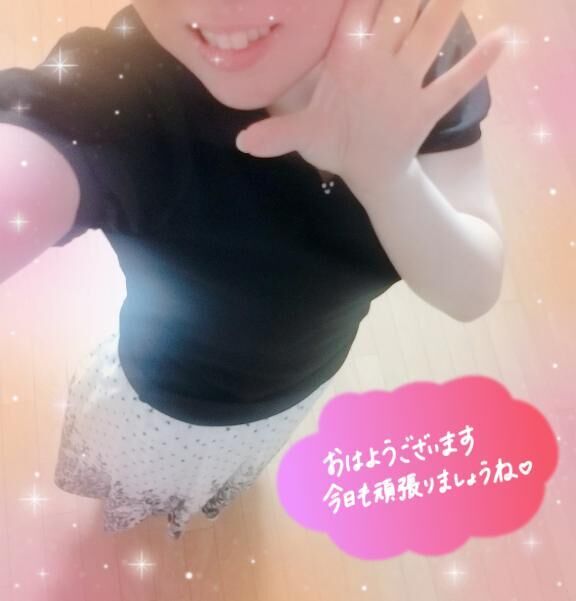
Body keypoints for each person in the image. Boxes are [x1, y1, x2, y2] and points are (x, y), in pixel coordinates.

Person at [0, 1, 504, 539]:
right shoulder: (115, 91)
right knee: (146, 482)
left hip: (301, 379)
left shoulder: (412, 43)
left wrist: (389, 177)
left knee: (221, 474)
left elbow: (472, 292)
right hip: (162, 402)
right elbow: (34, 150)